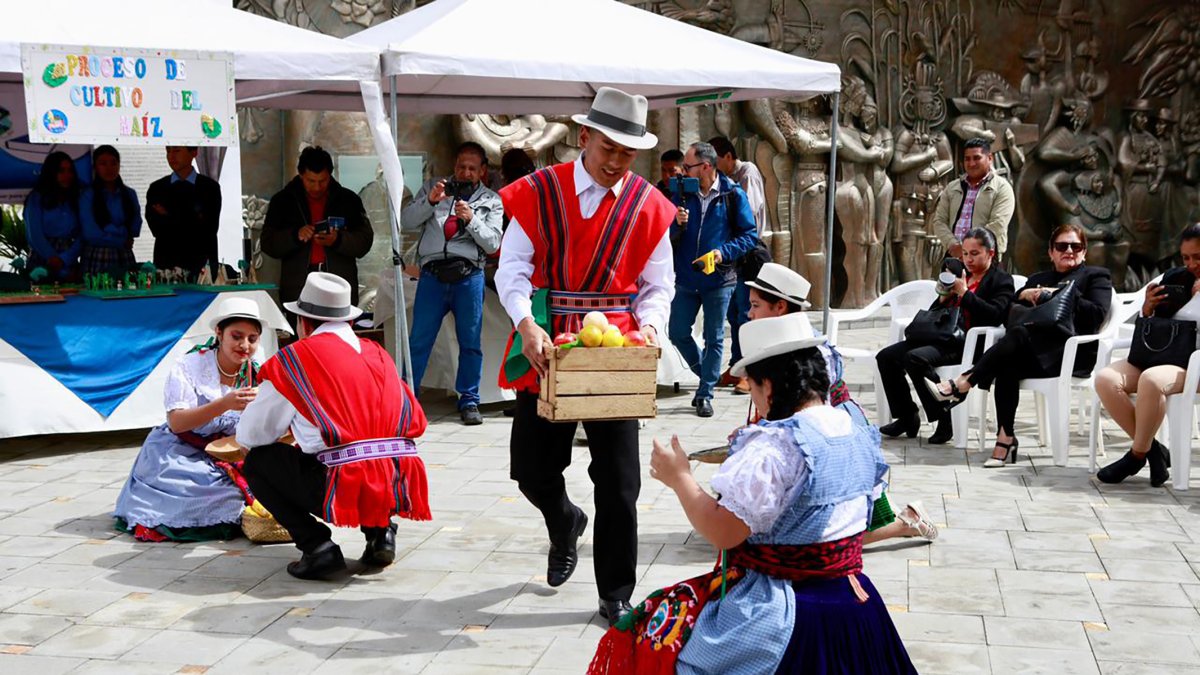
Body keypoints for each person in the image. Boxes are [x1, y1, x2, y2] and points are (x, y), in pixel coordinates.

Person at [589, 314, 916, 674]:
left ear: (770, 386)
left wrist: (680, 478)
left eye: (754, 387)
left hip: (784, 610)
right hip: (856, 602)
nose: (755, 399)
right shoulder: (855, 428)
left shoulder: (778, 446)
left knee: (660, 641)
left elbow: (725, 532)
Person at [495, 87, 676, 626]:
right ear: (584, 139)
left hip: (617, 352)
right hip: (549, 343)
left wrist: (650, 329)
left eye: (628, 153)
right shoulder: (537, 192)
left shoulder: (649, 205)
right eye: (609, 150)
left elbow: (658, 286)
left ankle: (616, 592)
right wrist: (525, 324)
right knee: (530, 469)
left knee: (620, 483)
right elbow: (513, 270)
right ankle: (564, 518)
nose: (617, 163)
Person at [237, 272, 430, 580]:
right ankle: (381, 534)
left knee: (259, 462)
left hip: (344, 484)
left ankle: (318, 548)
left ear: (305, 323)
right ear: (349, 322)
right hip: (397, 481)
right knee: (369, 447)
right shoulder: (378, 354)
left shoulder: (295, 360)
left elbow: (253, 434)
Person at [747, 262, 937, 545]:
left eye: (755, 305)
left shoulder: (812, 353)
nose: (749, 313)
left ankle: (908, 522)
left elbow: (807, 411)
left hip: (832, 437)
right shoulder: (773, 344)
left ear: (780, 308)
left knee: (826, 532)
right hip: (809, 437)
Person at [929, 223, 1113, 466]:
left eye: (1075, 246)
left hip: (1071, 354)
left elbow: (1097, 315)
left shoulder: (1096, 276)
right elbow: (1011, 314)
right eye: (1061, 246)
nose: (1069, 250)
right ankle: (1005, 439)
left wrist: (1064, 293)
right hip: (1035, 351)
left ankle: (964, 382)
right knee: (1008, 362)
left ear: (1084, 252)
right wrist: (1024, 295)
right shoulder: (1037, 279)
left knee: (1015, 339)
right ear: (1051, 252)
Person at [114, 298, 265, 542]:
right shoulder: (189, 365)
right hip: (182, 448)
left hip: (231, 448)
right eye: (236, 336)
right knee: (201, 492)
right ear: (219, 333)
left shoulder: (256, 371)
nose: (244, 345)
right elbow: (177, 423)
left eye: (252, 339)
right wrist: (224, 404)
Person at [876, 228, 1014, 443]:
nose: (968, 259)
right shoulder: (960, 274)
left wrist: (965, 294)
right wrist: (943, 296)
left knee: (915, 358)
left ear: (991, 253)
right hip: (942, 336)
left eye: (975, 253)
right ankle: (907, 416)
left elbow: (995, 315)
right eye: (965, 253)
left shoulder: (1001, 280)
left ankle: (944, 418)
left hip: (968, 342)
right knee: (886, 357)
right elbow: (938, 311)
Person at [401, 142, 503, 425]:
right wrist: (431, 201)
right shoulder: (434, 187)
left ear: (482, 171)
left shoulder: (491, 200)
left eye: (472, 168)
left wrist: (471, 220)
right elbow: (407, 221)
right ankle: (406, 399)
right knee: (419, 340)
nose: (465, 172)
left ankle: (469, 400)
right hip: (432, 276)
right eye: (461, 166)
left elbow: (493, 241)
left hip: (468, 276)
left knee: (470, 342)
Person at [1094, 223, 1200, 486]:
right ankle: (1154, 452)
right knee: (1106, 380)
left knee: (1151, 380)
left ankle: (1136, 454)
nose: (1191, 264)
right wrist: (1148, 308)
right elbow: (1154, 324)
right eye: (1186, 257)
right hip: (1161, 353)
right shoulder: (1177, 277)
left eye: (1198, 257)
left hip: (1193, 363)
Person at [668, 141, 759, 417]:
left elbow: (749, 235)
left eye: (687, 166)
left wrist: (723, 252)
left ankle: (705, 393)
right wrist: (676, 222)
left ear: (706, 166)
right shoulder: (682, 194)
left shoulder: (732, 194)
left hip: (720, 278)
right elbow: (667, 233)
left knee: (714, 337)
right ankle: (707, 375)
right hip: (686, 276)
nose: (682, 171)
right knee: (677, 332)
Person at [262, 146, 374, 318]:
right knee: (302, 339)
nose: (316, 187)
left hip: (338, 284)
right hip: (298, 286)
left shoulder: (348, 200)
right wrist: (295, 236)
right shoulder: (283, 201)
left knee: (336, 338)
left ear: (330, 175)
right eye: (311, 181)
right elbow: (268, 243)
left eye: (322, 181)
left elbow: (365, 241)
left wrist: (338, 240)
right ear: (300, 175)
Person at [709, 136, 770, 393]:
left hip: (749, 254)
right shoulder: (726, 181)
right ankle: (737, 365)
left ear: (728, 157)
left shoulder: (747, 173)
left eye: (715, 160)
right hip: (733, 255)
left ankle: (752, 371)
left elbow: (750, 212)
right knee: (735, 313)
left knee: (749, 312)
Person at [145, 146, 222, 279]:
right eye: (168, 151)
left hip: (201, 264)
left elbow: (208, 229)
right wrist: (192, 217)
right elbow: (157, 230)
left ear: (194, 152)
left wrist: (168, 216)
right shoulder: (157, 188)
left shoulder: (209, 188)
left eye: (176, 151)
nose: (171, 156)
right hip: (167, 265)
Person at [932, 137, 1015, 259]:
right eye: (967, 159)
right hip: (953, 257)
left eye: (977, 158)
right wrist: (953, 245)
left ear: (990, 158)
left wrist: (967, 250)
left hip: (986, 258)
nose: (971, 164)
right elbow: (939, 221)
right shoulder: (952, 187)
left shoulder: (1002, 188)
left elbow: (998, 224)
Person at [80, 145, 142, 276]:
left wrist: (119, 234)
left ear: (119, 165)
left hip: (125, 254)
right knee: (98, 292)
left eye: (113, 163)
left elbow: (135, 227)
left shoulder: (129, 194)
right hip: (97, 254)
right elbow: (90, 233)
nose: (109, 168)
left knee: (129, 292)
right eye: (103, 163)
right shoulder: (88, 195)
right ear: (95, 167)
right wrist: (120, 239)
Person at [24, 151, 82, 281]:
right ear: (51, 173)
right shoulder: (36, 198)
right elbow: (34, 234)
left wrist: (66, 258)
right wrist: (52, 257)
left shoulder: (76, 198)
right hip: (41, 258)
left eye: (70, 171)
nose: (67, 175)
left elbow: (83, 234)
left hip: (69, 259)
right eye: (61, 171)